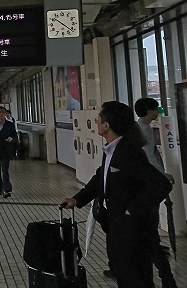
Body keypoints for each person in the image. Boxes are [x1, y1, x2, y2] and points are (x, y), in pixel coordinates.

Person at [61, 101, 171, 288]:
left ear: (107, 125)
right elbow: (101, 177)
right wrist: (77, 199)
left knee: (136, 278)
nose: (96, 122)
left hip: (132, 227)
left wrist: (132, 209)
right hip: (114, 224)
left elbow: (161, 184)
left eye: (98, 119)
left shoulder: (128, 151)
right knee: (123, 273)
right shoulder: (112, 149)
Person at [126, 98, 176, 288]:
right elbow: (150, 159)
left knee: (148, 233)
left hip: (144, 189)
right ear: (149, 111)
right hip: (148, 187)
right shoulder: (144, 130)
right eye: (156, 109)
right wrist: (163, 176)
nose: (158, 112)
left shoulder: (138, 128)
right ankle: (166, 275)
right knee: (150, 232)